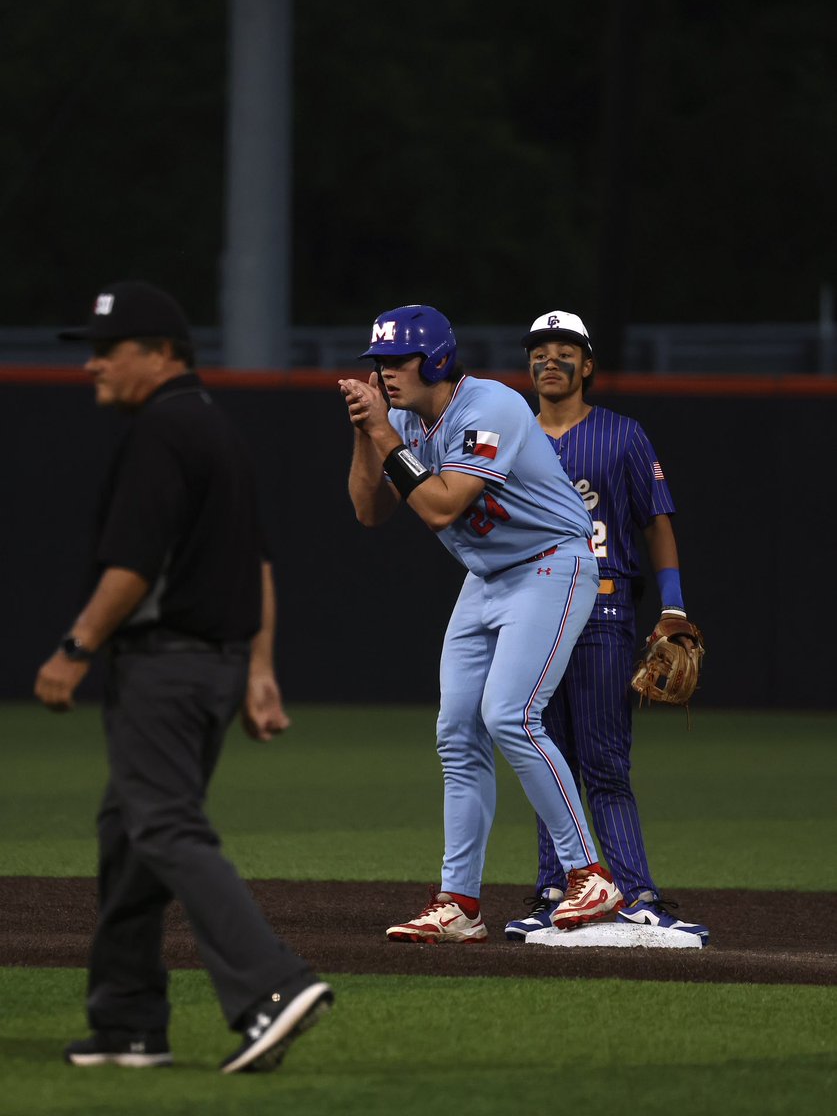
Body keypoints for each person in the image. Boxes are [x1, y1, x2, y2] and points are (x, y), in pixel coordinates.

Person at [34, 280, 333, 1073]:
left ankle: (273, 984)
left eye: (107, 350)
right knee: (129, 832)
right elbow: (258, 562)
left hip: (166, 667)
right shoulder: (214, 429)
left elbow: (134, 565)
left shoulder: (162, 433)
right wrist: (259, 671)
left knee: (163, 825)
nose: (92, 365)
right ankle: (128, 1021)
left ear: (160, 353)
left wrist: (74, 647)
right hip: (213, 666)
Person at [338, 304, 623, 943]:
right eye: (376, 363)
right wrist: (368, 431)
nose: (383, 373)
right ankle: (459, 904)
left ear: (436, 359)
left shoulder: (487, 406)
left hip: (552, 563)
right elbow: (368, 511)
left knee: (511, 716)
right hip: (488, 577)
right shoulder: (404, 420)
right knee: (457, 734)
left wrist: (386, 435)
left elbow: (440, 509)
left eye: (396, 360)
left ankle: (589, 875)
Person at [503, 310, 710, 944]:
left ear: (587, 365)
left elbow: (657, 523)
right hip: (532, 607)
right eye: (540, 349)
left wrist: (671, 606)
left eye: (567, 350)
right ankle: (558, 889)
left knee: (602, 758)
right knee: (546, 753)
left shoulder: (621, 435)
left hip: (603, 608)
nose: (552, 359)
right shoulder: (509, 435)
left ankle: (636, 891)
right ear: (529, 364)